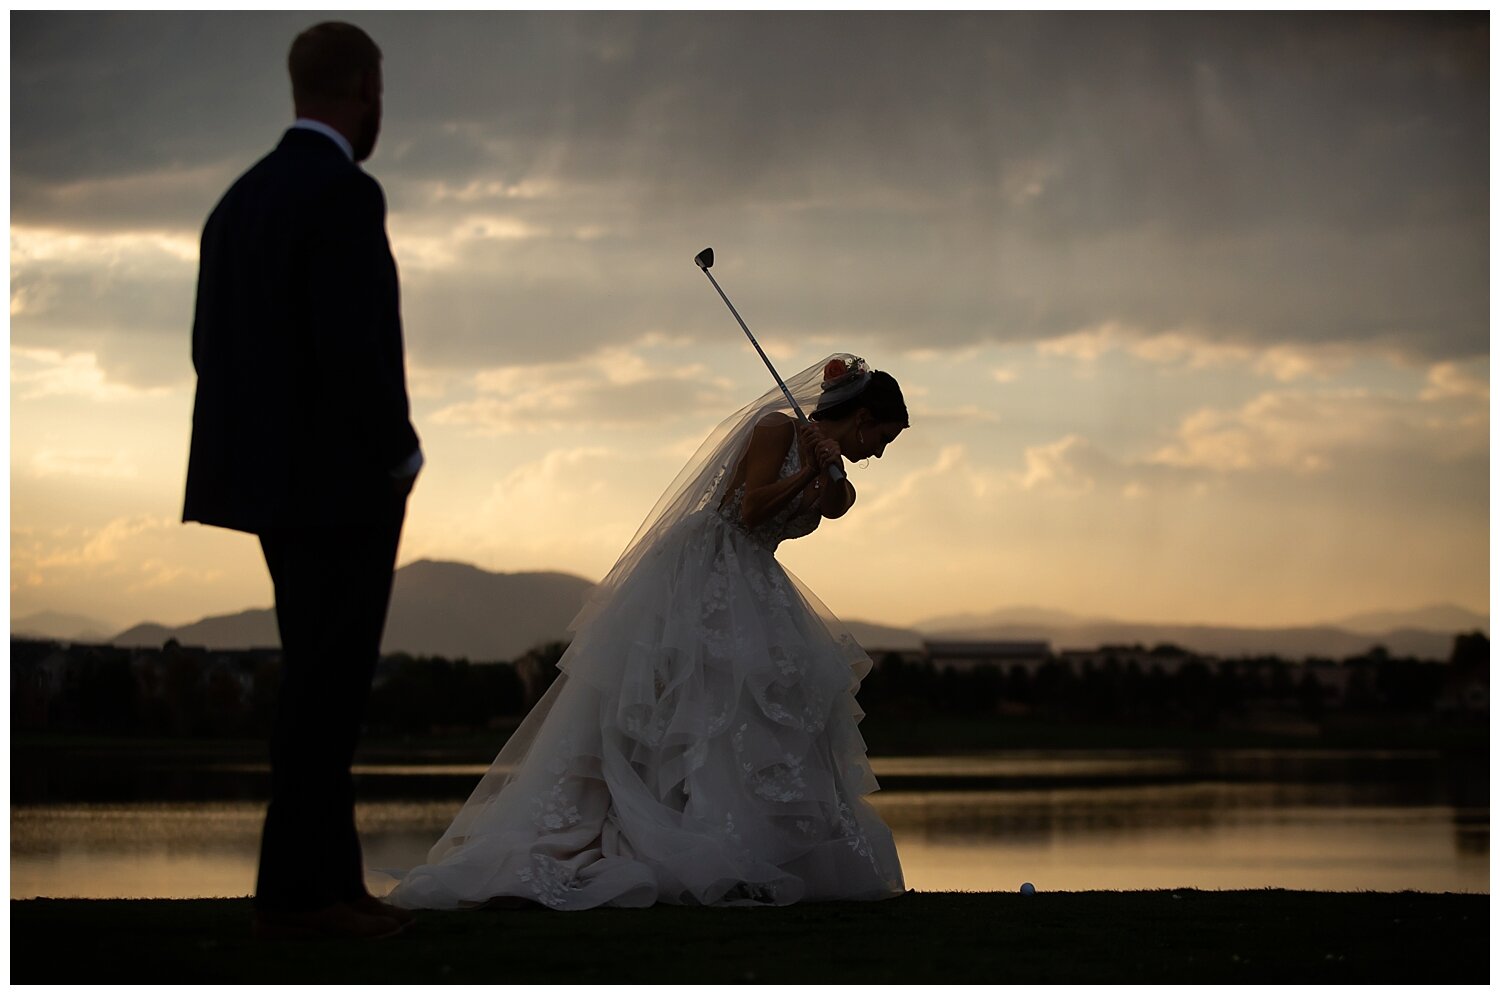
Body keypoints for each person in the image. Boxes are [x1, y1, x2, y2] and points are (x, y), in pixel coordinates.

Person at [390, 355, 907, 910]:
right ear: (861, 415)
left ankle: (749, 850)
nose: (877, 451)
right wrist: (806, 467)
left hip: (756, 579)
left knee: (764, 709)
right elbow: (751, 510)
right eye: (881, 435)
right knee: (696, 702)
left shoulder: (838, 477)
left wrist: (826, 466)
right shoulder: (776, 429)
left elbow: (834, 507)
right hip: (705, 566)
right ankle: (686, 845)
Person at [182, 22, 421, 939]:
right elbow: (358, 348)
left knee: (318, 678)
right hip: (344, 483)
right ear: (362, 87)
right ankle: (301, 896)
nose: (379, 111)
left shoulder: (238, 202)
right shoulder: (346, 194)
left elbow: (211, 351)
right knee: (330, 685)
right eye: (378, 92)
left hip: (271, 484)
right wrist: (397, 455)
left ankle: (334, 878)